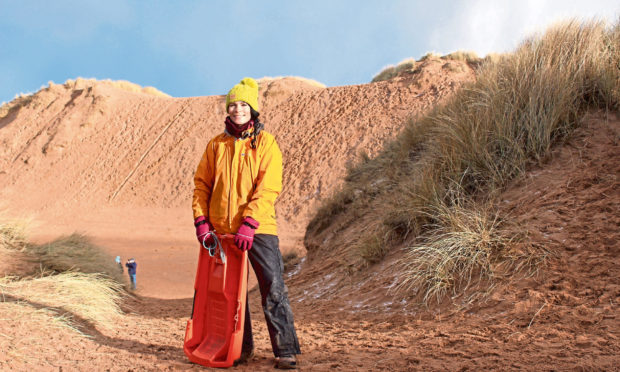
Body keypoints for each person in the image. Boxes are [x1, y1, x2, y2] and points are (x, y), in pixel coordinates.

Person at [192, 77, 301, 369]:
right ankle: (240, 348)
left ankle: (285, 350)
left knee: (272, 286)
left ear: (252, 109)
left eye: (243, 105)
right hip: (222, 234)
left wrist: (250, 223)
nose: (237, 110)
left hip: (259, 229)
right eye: (233, 105)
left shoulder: (266, 143)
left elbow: (269, 186)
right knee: (229, 294)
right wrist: (202, 222)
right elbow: (202, 184)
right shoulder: (216, 145)